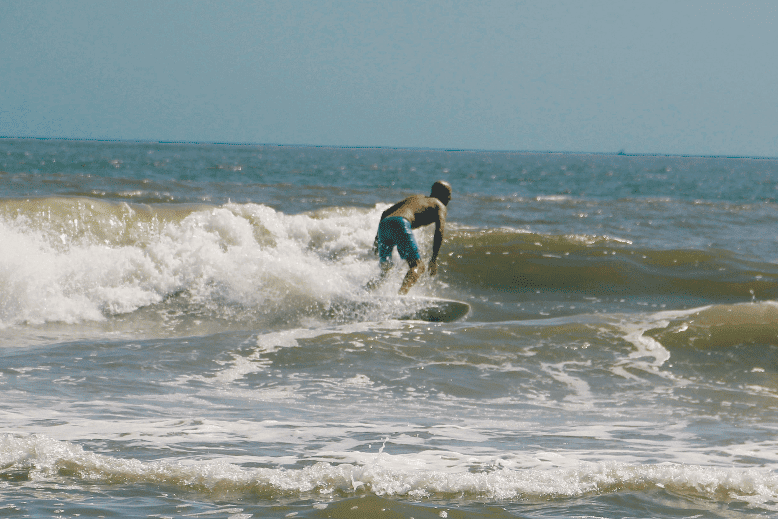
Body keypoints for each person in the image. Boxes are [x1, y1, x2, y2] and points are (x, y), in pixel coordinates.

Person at [369, 180, 452, 294]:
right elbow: (439, 230)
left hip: (384, 225)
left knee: (385, 271)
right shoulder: (439, 205)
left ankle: (365, 292)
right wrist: (434, 259)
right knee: (418, 266)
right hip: (400, 223)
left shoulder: (416, 198)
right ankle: (401, 295)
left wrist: (377, 241)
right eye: (449, 194)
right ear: (442, 194)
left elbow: (385, 213)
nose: (450, 198)